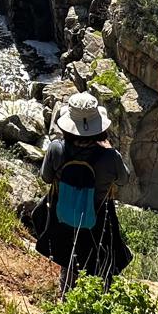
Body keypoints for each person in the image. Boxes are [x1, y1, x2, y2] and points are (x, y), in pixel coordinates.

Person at [37, 92, 131, 293]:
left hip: (63, 215)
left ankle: (66, 296)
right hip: (98, 218)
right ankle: (98, 298)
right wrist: (111, 151)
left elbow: (45, 177)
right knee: (100, 261)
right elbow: (124, 180)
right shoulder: (110, 157)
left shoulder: (56, 148)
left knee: (68, 258)